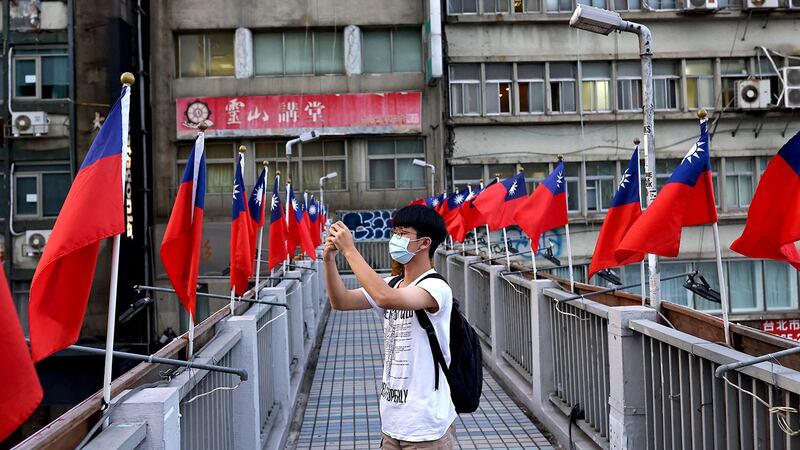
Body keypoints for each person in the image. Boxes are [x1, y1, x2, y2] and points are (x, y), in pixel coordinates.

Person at [323, 205, 457, 449]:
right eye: (394, 232)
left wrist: (350, 250)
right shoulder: (393, 283)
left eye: (403, 233)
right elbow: (340, 301)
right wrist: (329, 259)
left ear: (424, 243)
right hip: (392, 421)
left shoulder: (436, 288)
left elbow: (384, 298)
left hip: (426, 428)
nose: (395, 239)